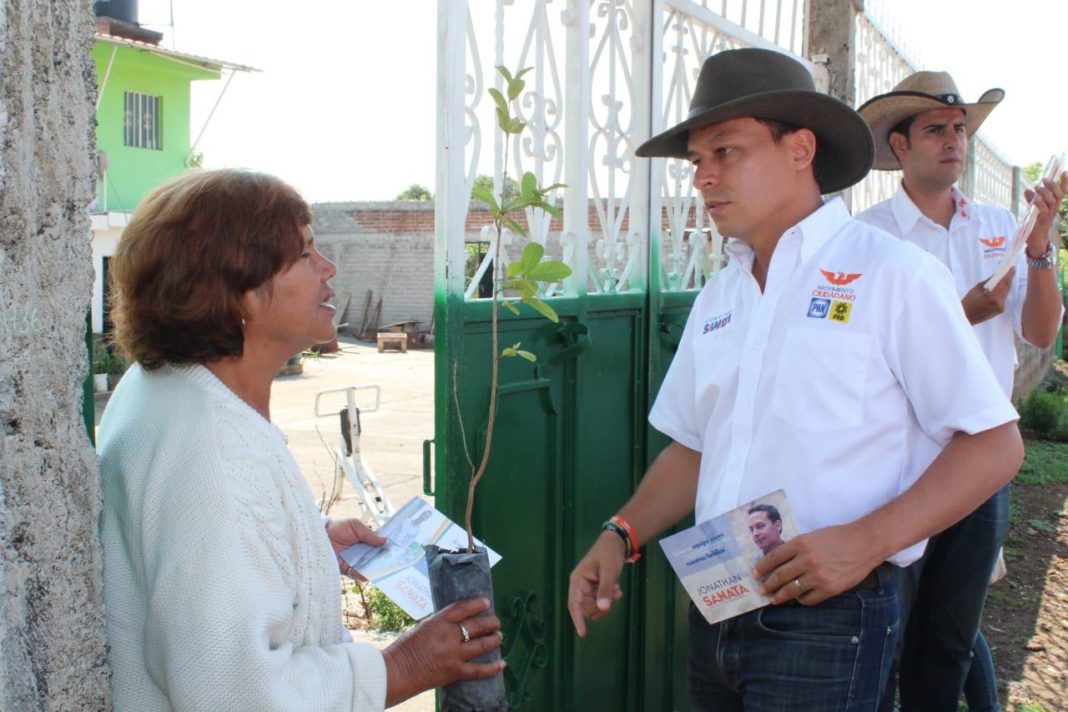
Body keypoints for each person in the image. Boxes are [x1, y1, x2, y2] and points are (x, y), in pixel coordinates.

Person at [566, 47, 1024, 710]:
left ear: (800, 149)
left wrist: (864, 543)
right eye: (698, 160)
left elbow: (994, 445)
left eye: (726, 151)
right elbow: (697, 445)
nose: (704, 177)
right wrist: (621, 533)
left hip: (831, 617)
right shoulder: (720, 296)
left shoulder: (889, 273)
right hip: (719, 606)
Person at [98, 170, 504, 711]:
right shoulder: (211, 452)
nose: (329, 271)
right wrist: (397, 668)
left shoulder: (166, 390)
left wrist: (307, 544)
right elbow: (229, 693)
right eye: (307, 254)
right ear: (237, 289)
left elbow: (214, 553)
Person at [856, 71, 1066, 712]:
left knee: (948, 636)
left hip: (979, 463)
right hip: (894, 464)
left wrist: (1038, 250)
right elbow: (856, 354)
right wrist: (962, 312)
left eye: (960, 131)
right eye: (935, 130)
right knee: (887, 630)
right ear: (900, 147)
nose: (954, 141)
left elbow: (1039, 329)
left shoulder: (1000, 225)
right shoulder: (867, 239)